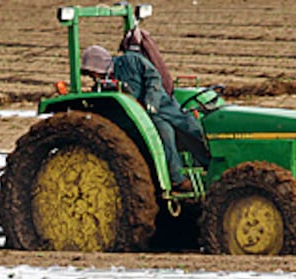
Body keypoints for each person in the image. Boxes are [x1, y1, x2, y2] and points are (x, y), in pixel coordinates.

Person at [81, 45, 209, 193]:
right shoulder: (105, 84)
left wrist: (151, 101)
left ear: (100, 64)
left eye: (93, 73)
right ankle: (177, 179)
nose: (94, 77)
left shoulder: (131, 60)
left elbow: (153, 76)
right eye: (91, 74)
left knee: (191, 128)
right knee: (165, 133)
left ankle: (208, 165)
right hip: (146, 117)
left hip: (161, 105)